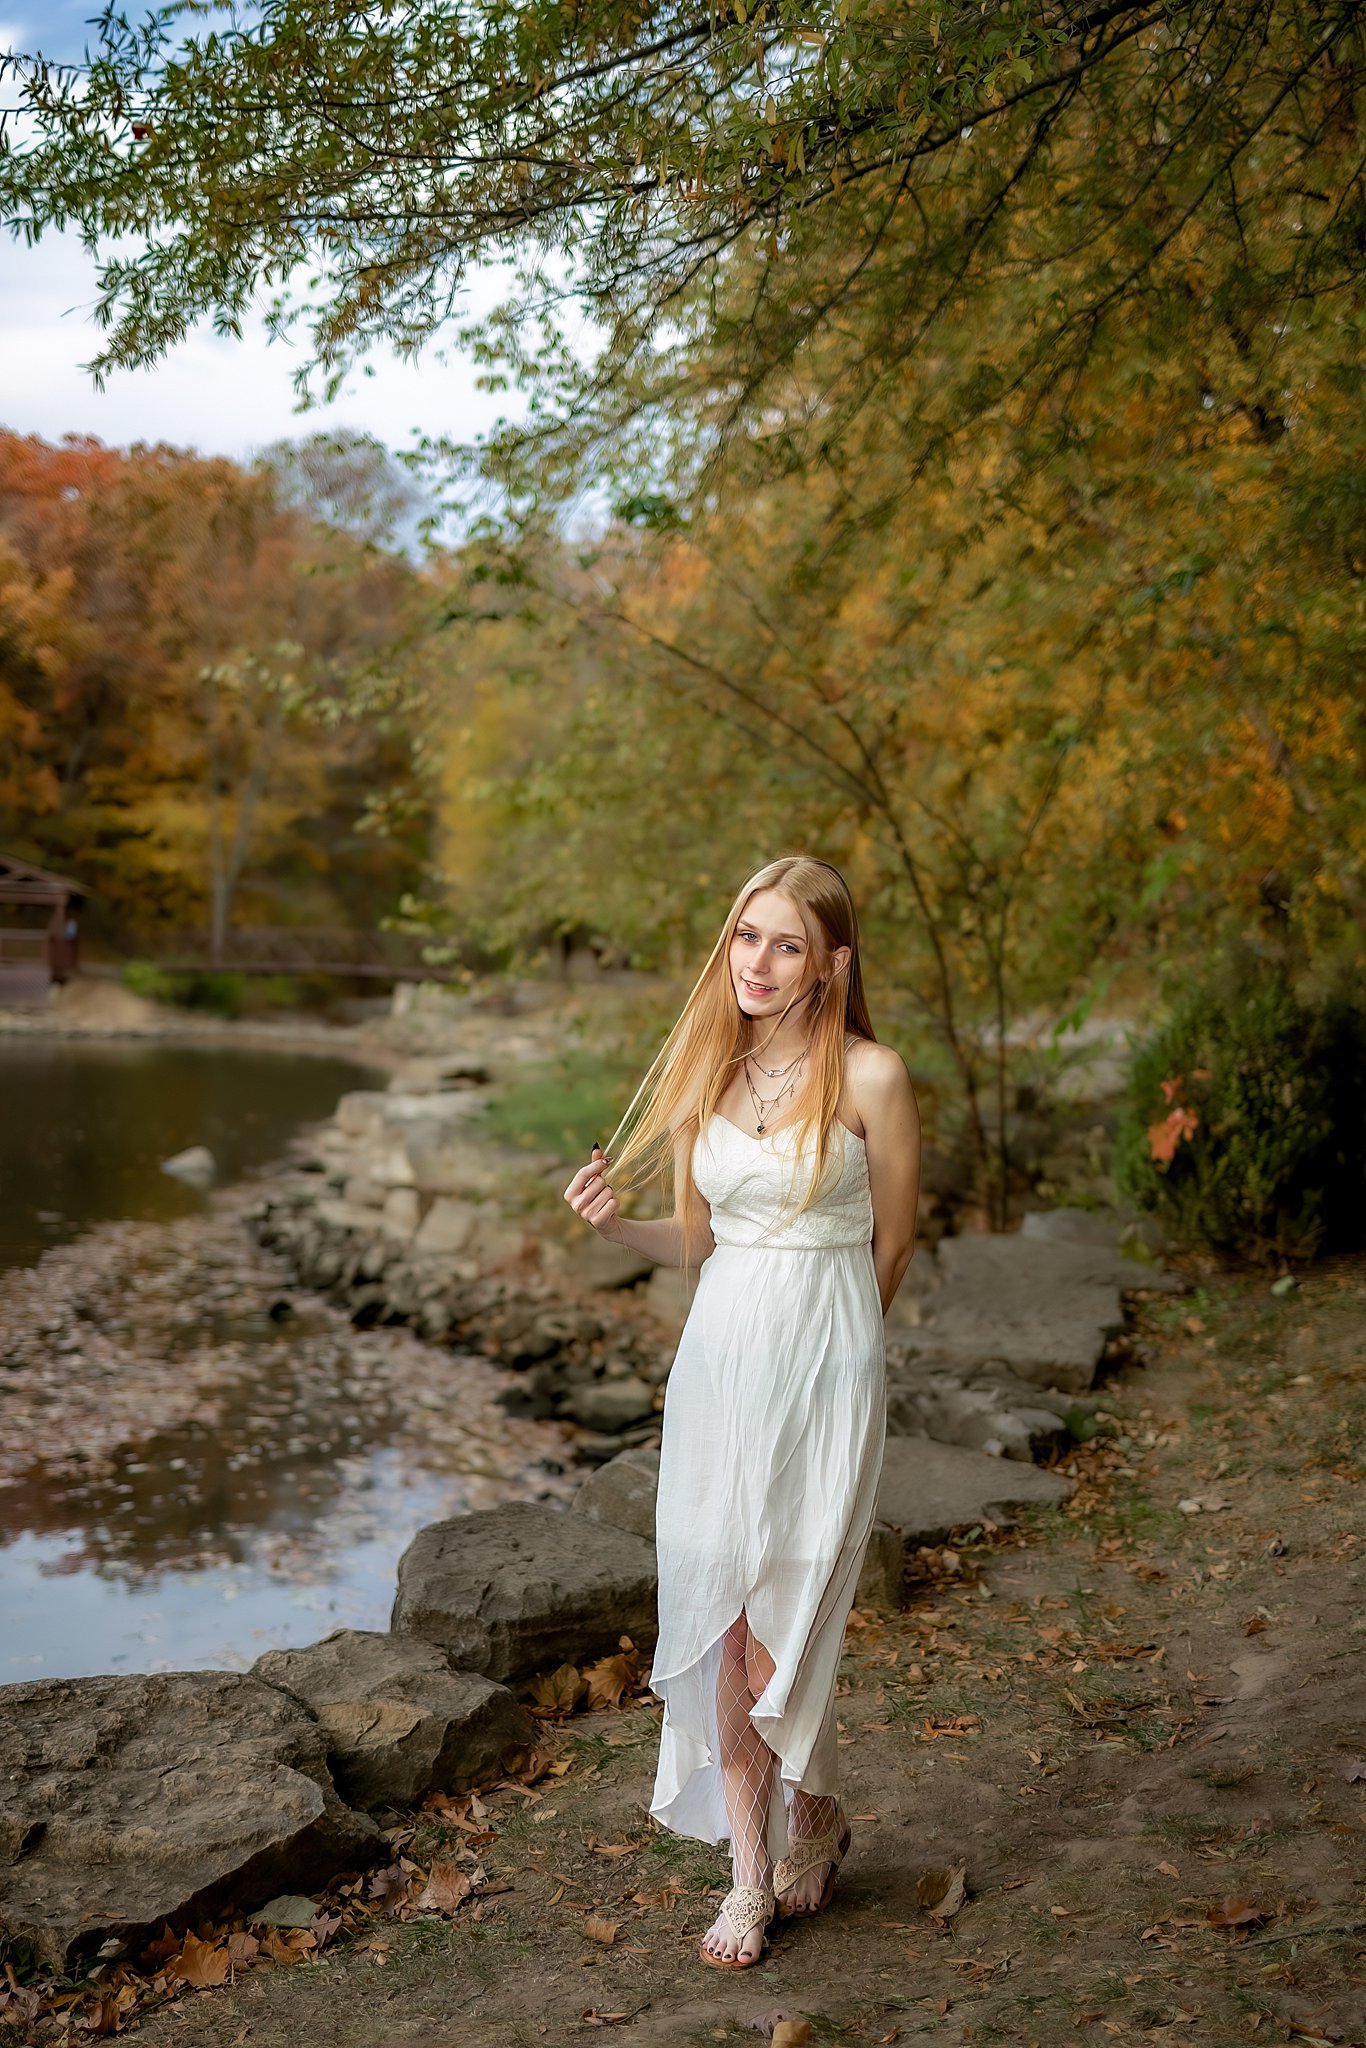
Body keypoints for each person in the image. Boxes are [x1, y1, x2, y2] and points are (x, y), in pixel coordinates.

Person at [563, 854, 921, 1968]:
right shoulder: (704, 1071)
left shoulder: (872, 1076)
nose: (756, 962)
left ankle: (810, 1813)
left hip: (823, 1366)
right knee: (724, 1623)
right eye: (745, 937)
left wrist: (839, 1359)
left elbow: (893, 1243)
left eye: (785, 944)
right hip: (716, 1367)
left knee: (781, 1637)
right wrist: (612, 1226)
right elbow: (697, 1243)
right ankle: (750, 1877)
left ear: (832, 962)